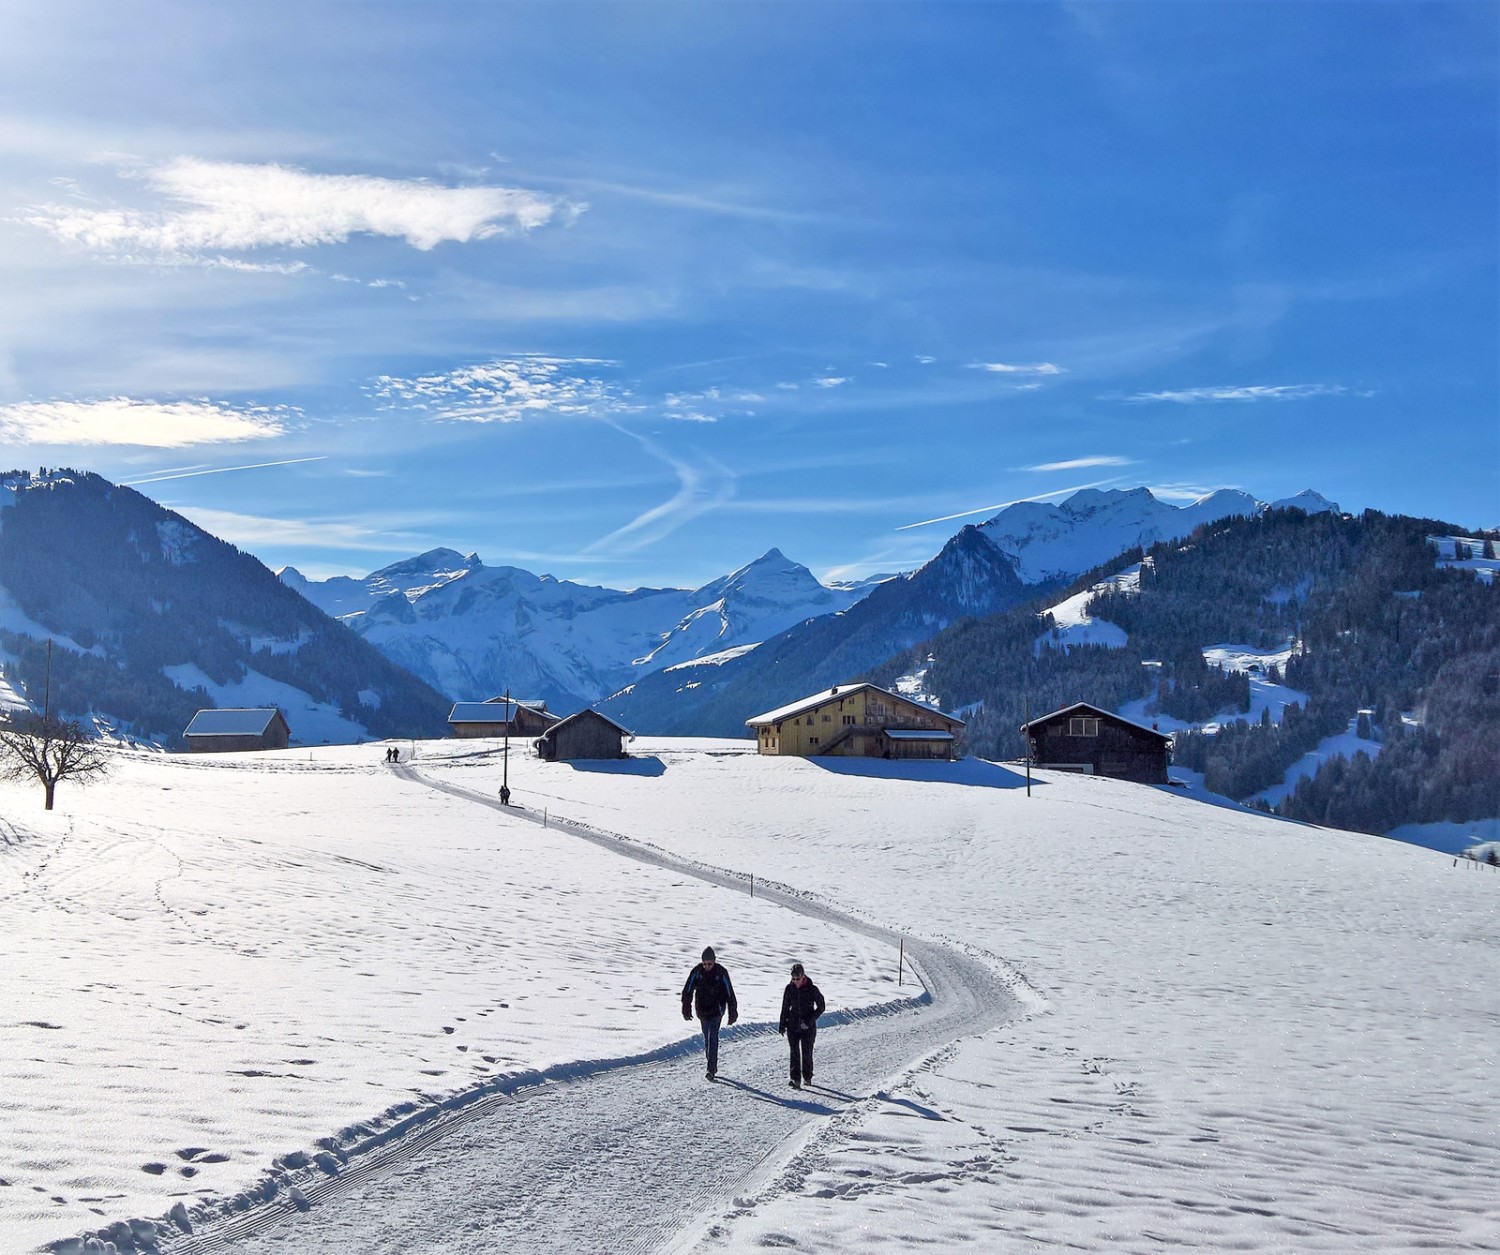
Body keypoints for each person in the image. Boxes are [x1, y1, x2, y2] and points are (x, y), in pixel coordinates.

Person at [681, 946, 737, 1081]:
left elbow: (729, 992)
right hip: (702, 1011)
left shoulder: (721, 972)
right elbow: (687, 990)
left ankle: (711, 1069)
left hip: (717, 1011)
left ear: (714, 962)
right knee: (707, 1038)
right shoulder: (697, 971)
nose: (707, 966)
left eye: (709, 964)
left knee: (713, 1037)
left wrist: (732, 1011)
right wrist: (686, 1007)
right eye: (704, 964)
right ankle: (711, 1064)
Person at [778, 962, 825, 1090]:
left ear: (803, 976)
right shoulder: (789, 989)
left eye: (797, 979)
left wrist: (809, 1021)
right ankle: (795, 1079)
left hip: (808, 1027)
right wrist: (782, 1024)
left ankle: (807, 1077)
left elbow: (821, 1007)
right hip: (793, 1025)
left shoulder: (812, 989)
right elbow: (785, 1007)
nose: (795, 981)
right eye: (793, 979)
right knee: (794, 1052)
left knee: (806, 1052)